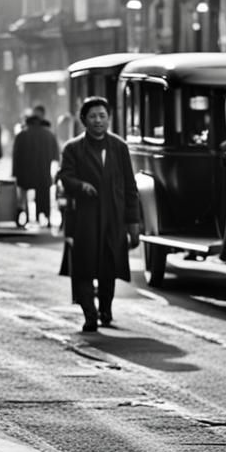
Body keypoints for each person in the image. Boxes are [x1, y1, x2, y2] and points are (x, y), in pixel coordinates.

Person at [57, 97, 140, 332]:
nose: (98, 121)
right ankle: (89, 314)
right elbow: (65, 176)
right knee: (82, 268)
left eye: (102, 116)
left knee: (108, 267)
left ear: (109, 118)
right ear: (84, 120)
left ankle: (106, 309)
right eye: (93, 116)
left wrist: (133, 223)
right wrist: (80, 185)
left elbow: (130, 186)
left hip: (113, 218)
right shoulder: (73, 148)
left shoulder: (119, 147)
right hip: (84, 218)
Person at [12, 108, 60, 226]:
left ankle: (25, 217)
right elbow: (56, 156)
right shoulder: (49, 135)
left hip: (25, 172)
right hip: (43, 171)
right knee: (43, 196)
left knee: (23, 196)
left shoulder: (21, 135)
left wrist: (14, 173)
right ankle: (45, 217)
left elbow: (16, 156)